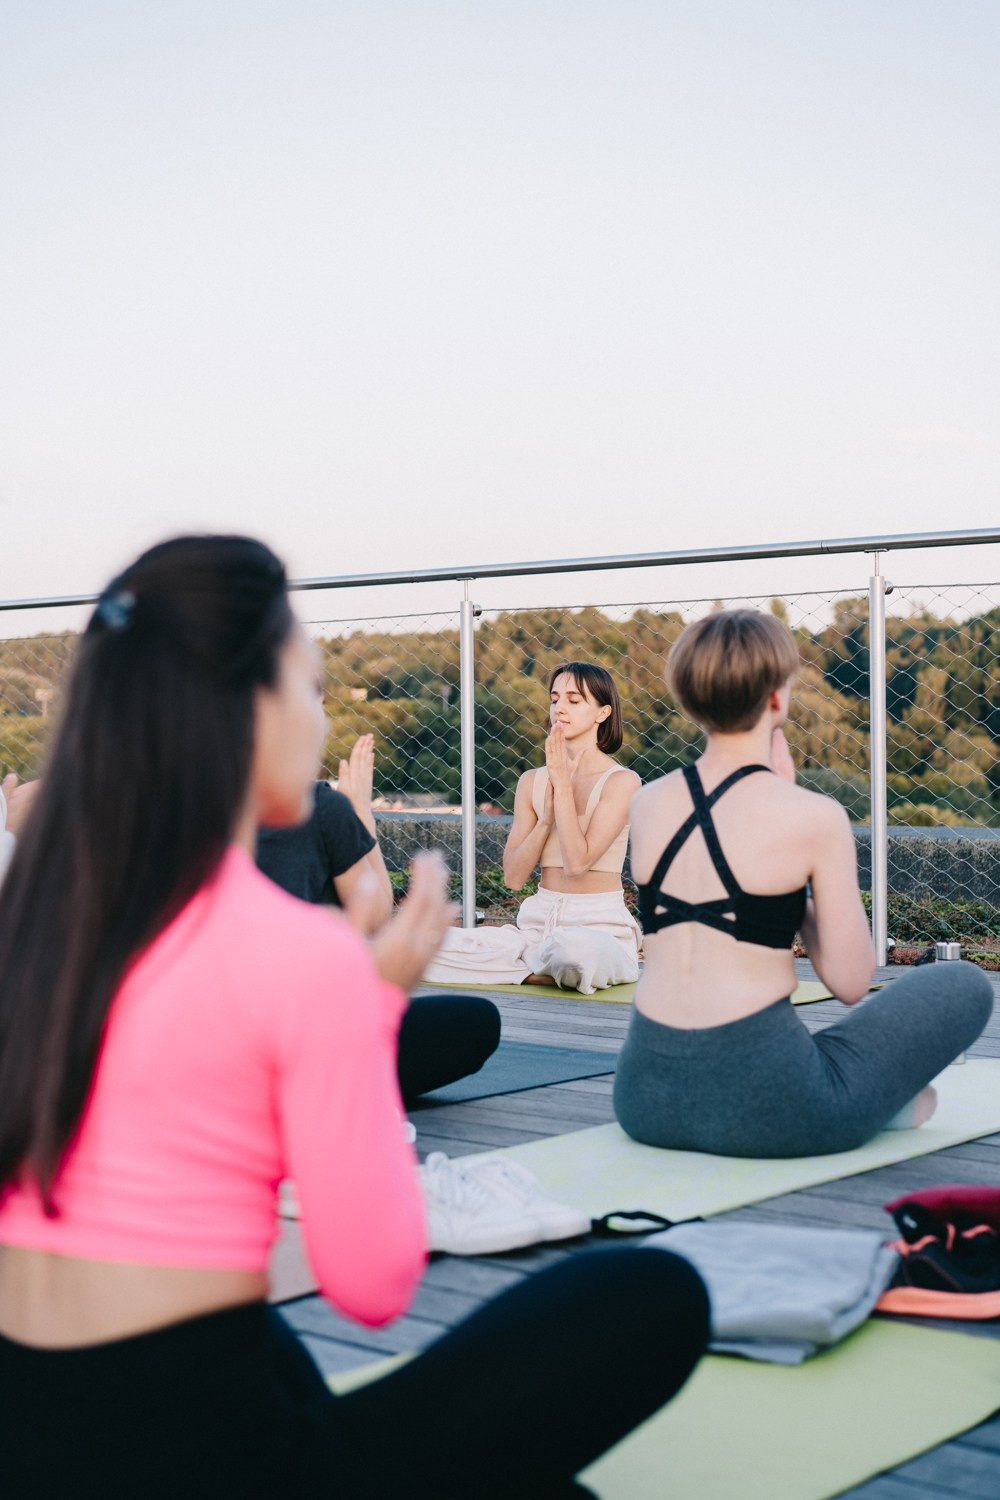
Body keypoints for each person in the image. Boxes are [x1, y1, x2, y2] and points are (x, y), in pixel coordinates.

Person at [0, 536, 707, 1499]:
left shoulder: (32, 912)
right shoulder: (295, 954)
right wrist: (368, 1007)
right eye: (312, 685)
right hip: (206, 1458)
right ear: (253, 710)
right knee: (651, 1295)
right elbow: (372, 1286)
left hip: (27, 1424)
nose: (320, 713)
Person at [614, 608, 993, 1159]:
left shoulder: (646, 802)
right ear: (776, 698)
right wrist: (800, 880)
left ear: (690, 698)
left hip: (644, 1100)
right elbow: (850, 981)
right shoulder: (813, 815)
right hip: (772, 1108)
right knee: (965, 984)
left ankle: (873, 1103)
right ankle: (872, 1105)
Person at [257, 735, 502, 1103]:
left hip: (200, 1039)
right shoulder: (320, 805)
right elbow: (376, 913)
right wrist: (360, 812)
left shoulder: (176, 804)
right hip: (302, 1039)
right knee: (477, 1020)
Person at [423, 662, 642, 995]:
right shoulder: (532, 782)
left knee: (575, 953)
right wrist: (545, 819)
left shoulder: (622, 782)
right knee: (425, 944)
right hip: (538, 926)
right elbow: (513, 877)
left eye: (574, 699)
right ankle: (537, 969)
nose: (559, 708)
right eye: (555, 699)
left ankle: (527, 965)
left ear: (602, 713)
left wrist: (564, 786)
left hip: (598, 928)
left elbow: (577, 863)